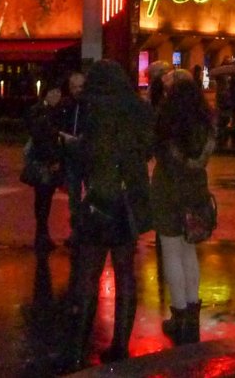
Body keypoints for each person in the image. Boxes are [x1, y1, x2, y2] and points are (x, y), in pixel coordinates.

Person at [61, 60, 153, 371]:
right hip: (127, 202)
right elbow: (147, 149)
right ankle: (120, 345)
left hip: (99, 200)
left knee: (89, 273)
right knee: (126, 272)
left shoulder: (91, 110)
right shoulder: (137, 110)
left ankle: (77, 346)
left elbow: (86, 156)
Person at [150, 69, 215, 344]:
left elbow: (156, 150)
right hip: (195, 189)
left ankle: (178, 316)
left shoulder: (166, 120)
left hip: (168, 189)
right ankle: (192, 313)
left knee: (172, 252)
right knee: (189, 251)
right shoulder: (205, 121)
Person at [26, 85, 66, 251]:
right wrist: (52, 159)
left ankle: (42, 233)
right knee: (42, 197)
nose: (56, 95)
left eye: (58, 91)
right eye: (53, 91)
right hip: (43, 161)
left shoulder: (57, 111)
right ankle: (41, 234)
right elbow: (40, 136)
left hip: (49, 159)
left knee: (45, 197)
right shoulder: (40, 112)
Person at [55, 69, 86, 245]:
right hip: (71, 154)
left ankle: (87, 229)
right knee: (74, 194)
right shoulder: (66, 105)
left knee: (89, 193)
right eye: (73, 87)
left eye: (80, 86)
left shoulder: (89, 105)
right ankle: (76, 230)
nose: (77, 90)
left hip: (86, 154)